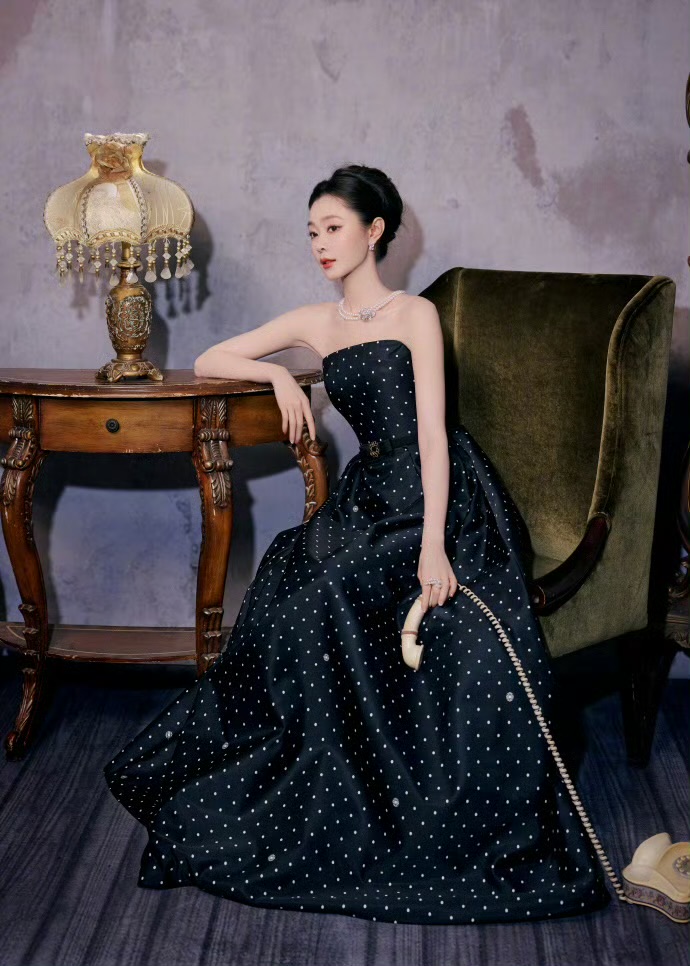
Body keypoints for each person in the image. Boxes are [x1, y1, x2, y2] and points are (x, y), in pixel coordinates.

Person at [103, 163, 612, 925]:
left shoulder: (414, 314)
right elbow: (212, 359)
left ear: (374, 232)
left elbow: (434, 437)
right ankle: (318, 781)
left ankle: (383, 795)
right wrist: (281, 380)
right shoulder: (317, 321)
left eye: (334, 228)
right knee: (292, 583)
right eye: (312, 230)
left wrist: (434, 547)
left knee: (338, 594)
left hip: (438, 496)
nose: (320, 243)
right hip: (367, 497)